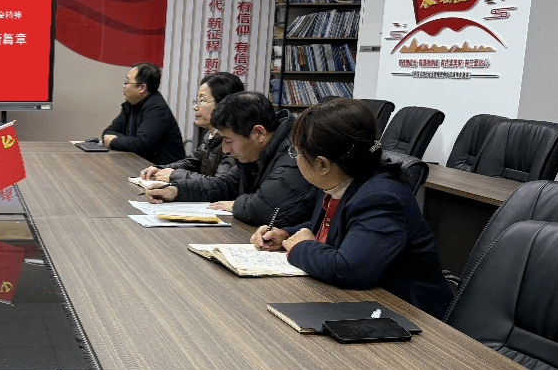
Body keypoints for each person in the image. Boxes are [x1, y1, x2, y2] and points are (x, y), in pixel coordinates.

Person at [249, 99, 454, 316]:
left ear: (323, 164)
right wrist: (284, 235)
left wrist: (300, 247)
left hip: (412, 316)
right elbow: (333, 228)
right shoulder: (340, 181)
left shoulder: (381, 197)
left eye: (297, 151)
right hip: (366, 304)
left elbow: (349, 269)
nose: (295, 157)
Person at [146, 91, 317, 227]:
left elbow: (264, 209)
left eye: (228, 140)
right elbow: (225, 184)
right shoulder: (255, 151)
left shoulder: (296, 151)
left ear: (258, 133)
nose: (225, 150)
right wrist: (176, 191)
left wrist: (236, 205)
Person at [140, 72, 244, 194]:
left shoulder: (234, 140)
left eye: (202, 100)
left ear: (223, 104)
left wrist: (175, 175)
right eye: (197, 100)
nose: (195, 107)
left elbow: (220, 183)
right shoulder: (209, 133)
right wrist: (161, 169)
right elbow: (192, 161)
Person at [102, 62, 186, 164]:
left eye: (127, 82)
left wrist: (114, 142)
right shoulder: (131, 105)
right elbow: (108, 132)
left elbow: (141, 144)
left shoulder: (157, 109)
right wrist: (127, 141)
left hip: (164, 169)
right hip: (140, 164)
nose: (124, 86)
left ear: (142, 88)